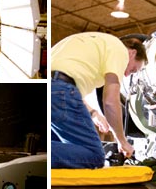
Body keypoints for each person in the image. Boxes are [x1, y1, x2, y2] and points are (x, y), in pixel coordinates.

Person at [50, 32, 147, 168]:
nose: (126, 74)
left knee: (64, 147)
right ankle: (42, 156)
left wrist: (93, 113)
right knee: (93, 155)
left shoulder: (94, 42)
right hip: (61, 90)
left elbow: (61, 82)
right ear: (132, 53)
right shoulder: (119, 50)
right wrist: (122, 141)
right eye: (133, 70)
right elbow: (110, 101)